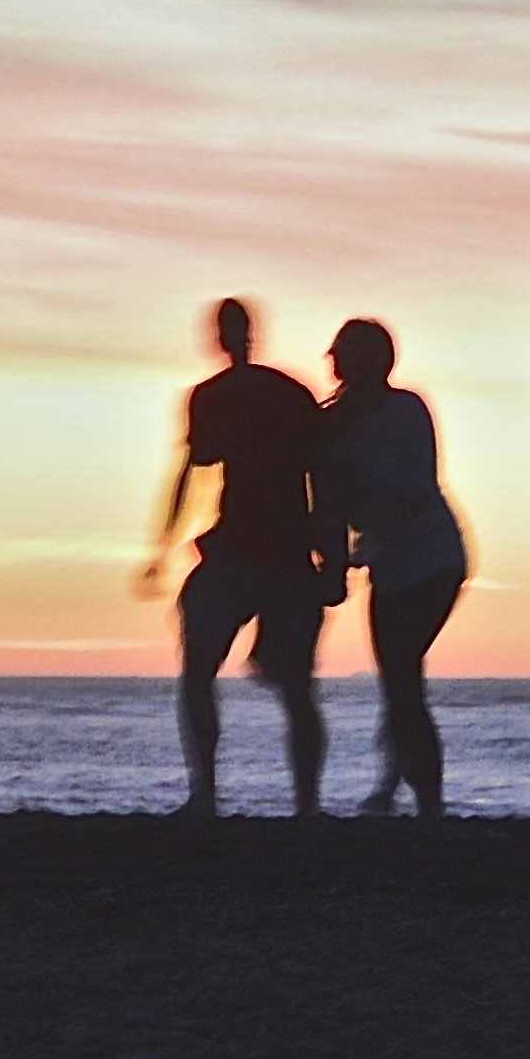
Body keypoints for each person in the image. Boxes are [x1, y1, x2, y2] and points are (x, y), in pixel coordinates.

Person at [135, 296, 342, 817]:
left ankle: (281, 801)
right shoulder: (262, 394)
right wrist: (161, 548)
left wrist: (332, 555)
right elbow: (195, 470)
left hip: (275, 554)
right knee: (228, 677)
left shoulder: (247, 395)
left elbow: (320, 477)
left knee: (283, 686)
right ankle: (222, 793)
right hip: (248, 552)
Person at [320, 318, 470, 819]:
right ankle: (394, 785)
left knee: (403, 678)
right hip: (389, 563)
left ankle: (426, 798)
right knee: (399, 680)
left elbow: (415, 487)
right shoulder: (334, 421)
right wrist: (338, 562)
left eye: (340, 351)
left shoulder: (405, 410)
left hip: (431, 559)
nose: (331, 359)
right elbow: (331, 503)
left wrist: (352, 484)